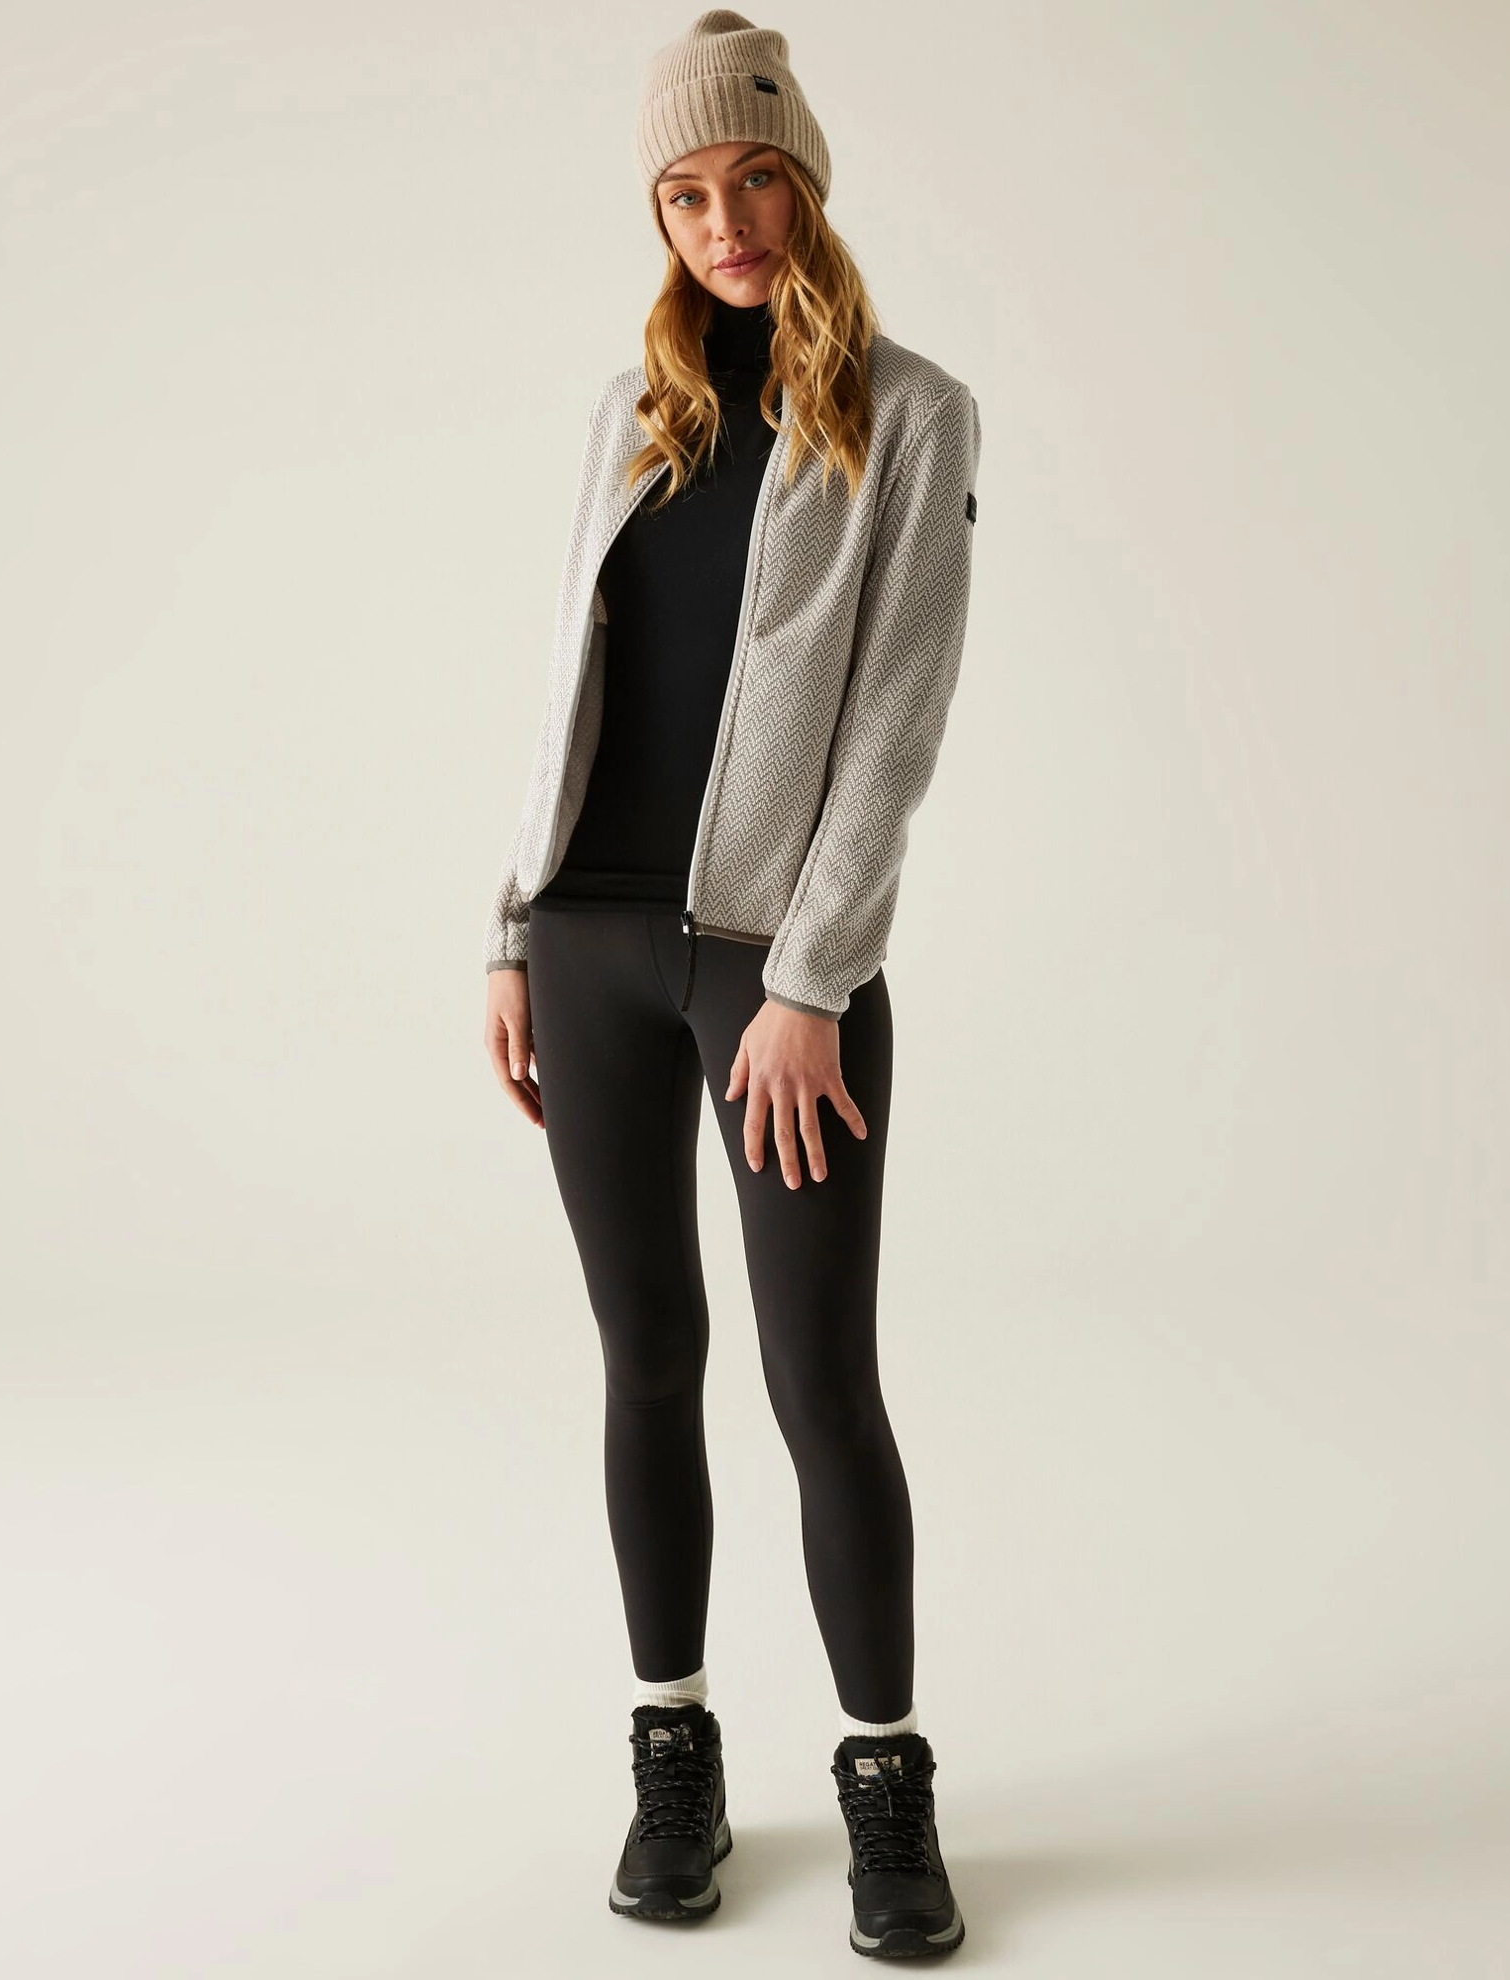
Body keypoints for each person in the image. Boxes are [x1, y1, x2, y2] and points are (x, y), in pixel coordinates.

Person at [478, 10, 981, 1959]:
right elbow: (566, 686)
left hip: (781, 979)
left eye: (754, 177)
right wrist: (510, 927)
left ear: (807, 179)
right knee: (647, 1362)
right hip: (590, 945)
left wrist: (815, 978)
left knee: (818, 1380)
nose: (725, 221)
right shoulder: (630, 409)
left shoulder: (912, 415)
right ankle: (672, 1756)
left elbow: (897, 723)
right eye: (685, 193)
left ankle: (885, 1784)